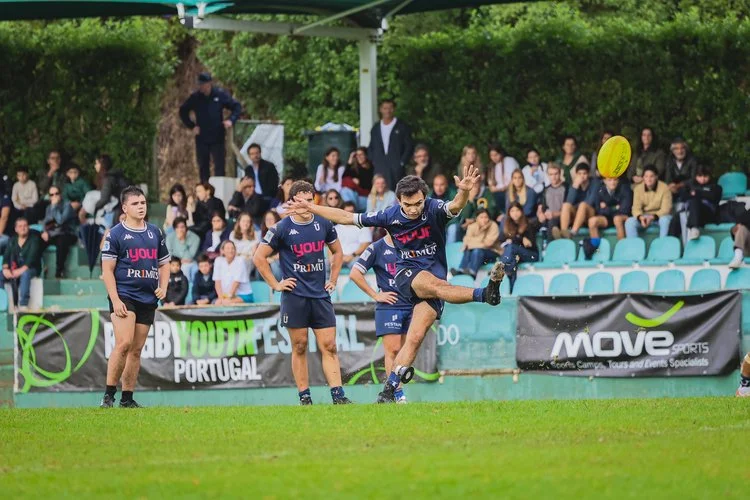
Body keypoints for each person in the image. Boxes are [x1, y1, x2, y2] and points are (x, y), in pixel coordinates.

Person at [285, 166, 505, 404]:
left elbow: (455, 206)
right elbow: (347, 218)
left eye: (418, 203)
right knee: (439, 285)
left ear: (424, 197)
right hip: (408, 275)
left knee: (415, 338)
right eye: (407, 204)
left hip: (432, 279)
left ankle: (388, 391)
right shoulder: (389, 215)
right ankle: (485, 293)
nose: (413, 209)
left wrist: (463, 192)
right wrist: (311, 207)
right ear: (399, 200)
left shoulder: (433, 208)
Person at [253, 180, 351, 405]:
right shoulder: (281, 227)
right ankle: (305, 397)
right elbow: (259, 257)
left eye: (310, 200)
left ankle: (339, 396)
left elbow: (337, 252)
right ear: (293, 202)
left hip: (320, 295)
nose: (307, 205)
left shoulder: (324, 224)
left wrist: (333, 279)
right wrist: (276, 284)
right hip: (295, 296)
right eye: (302, 201)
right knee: (299, 346)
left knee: (330, 346)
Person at [100, 186, 170, 408]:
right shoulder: (116, 234)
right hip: (125, 295)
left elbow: (164, 263)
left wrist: (164, 287)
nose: (141, 207)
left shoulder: (155, 232)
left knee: (137, 350)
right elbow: (107, 270)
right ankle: (108, 396)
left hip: (148, 297)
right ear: (124, 207)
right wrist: (116, 299)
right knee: (124, 343)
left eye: (143, 203)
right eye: (135, 203)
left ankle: (127, 399)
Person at [350, 232, 411, 403]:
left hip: (411, 304)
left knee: (406, 352)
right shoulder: (376, 247)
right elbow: (355, 273)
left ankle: (394, 390)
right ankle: (397, 394)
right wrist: (375, 295)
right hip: (389, 305)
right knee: (392, 350)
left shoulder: (413, 244)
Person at [179, 72, 242, 182]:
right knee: (203, 166)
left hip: (217, 136)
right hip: (202, 137)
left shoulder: (219, 94)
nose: (201, 87)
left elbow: (236, 106)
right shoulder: (196, 97)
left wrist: (231, 120)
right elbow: (183, 110)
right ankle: (205, 191)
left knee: (219, 166)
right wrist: (191, 125)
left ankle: (219, 192)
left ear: (209, 84)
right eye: (199, 85)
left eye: (203, 84)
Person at [367, 99, 413, 191]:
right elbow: (371, 146)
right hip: (380, 166)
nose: (387, 110)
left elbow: (409, 146)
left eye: (390, 108)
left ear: (394, 109)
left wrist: (402, 162)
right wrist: (374, 160)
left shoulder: (402, 126)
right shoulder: (375, 128)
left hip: (396, 167)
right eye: (385, 108)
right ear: (380, 109)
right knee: (379, 192)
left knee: (397, 191)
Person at [1, 218, 43, 309]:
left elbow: (31, 259)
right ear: (16, 229)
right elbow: (6, 256)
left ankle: (23, 304)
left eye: (25, 226)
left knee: (25, 274)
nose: (23, 228)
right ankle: (2, 301)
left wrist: (19, 271)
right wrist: (5, 269)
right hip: (15, 269)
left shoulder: (34, 240)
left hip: (31, 269)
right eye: (20, 226)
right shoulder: (12, 240)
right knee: (1, 274)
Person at [500, 203, 540, 293]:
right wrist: (519, 239)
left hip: (531, 255)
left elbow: (529, 244)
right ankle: (511, 289)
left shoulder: (528, 224)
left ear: (521, 212)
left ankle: (502, 267)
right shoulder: (507, 225)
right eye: (512, 211)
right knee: (512, 261)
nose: (515, 213)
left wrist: (515, 239)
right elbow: (501, 239)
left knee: (511, 248)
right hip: (517, 256)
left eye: (517, 210)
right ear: (509, 213)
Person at [626, 165, 673, 238]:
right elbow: (636, 208)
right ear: (643, 178)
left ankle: (663, 246)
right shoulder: (638, 189)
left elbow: (666, 209)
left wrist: (652, 217)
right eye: (646, 176)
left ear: (656, 177)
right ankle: (634, 247)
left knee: (665, 221)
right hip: (644, 216)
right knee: (630, 222)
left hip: (660, 216)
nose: (649, 179)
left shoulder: (664, 188)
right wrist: (641, 217)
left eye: (652, 176)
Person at [40, 186, 77, 278]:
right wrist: (44, 232)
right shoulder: (49, 207)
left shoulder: (67, 205)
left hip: (67, 233)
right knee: (37, 240)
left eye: (56, 193)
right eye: (52, 195)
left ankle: (59, 271)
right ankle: (40, 267)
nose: (54, 196)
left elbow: (61, 221)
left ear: (60, 194)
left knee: (62, 241)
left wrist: (55, 207)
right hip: (53, 234)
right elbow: (46, 222)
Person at [452, 209, 500, 278]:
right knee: (468, 250)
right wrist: (479, 241)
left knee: (477, 250)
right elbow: (466, 240)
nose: (484, 219)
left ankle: (472, 272)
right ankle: (461, 270)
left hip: (492, 252)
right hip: (478, 253)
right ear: (476, 218)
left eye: (486, 217)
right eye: (481, 217)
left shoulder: (493, 226)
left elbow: (488, 243)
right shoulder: (472, 226)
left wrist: (472, 242)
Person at [560, 163, 599, 238]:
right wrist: (575, 186)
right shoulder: (574, 184)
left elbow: (590, 202)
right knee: (565, 205)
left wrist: (577, 206)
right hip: (578, 215)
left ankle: (573, 232)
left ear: (588, 174)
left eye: (584, 173)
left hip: (591, 213)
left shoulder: (594, 183)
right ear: (576, 174)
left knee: (583, 205)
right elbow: (569, 202)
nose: (582, 176)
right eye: (579, 174)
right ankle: (563, 233)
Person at [682, 166, 722, 240]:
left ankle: (694, 228)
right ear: (696, 176)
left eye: (705, 176)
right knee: (677, 217)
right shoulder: (690, 185)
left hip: (709, 214)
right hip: (692, 212)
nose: (702, 179)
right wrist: (703, 194)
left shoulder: (715, 186)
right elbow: (683, 197)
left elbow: (713, 197)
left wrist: (697, 193)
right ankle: (670, 241)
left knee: (694, 202)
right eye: (700, 176)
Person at [213, 240, 253, 305]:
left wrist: (228, 298)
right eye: (228, 248)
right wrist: (221, 298)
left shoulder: (240, 261)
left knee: (226, 303)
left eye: (232, 248)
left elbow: (236, 283)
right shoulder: (218, 260)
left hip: (243, 295)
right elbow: (217, 282)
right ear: (222, 251)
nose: (230, 250)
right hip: (225, 296)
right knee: (218, 303)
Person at [335, 202, 372, 269]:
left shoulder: (362, 226)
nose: (349, 214)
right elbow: (331, 245)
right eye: (347, 212)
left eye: (351, 211)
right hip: (340, 257)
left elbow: (365, 244)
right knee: (326, 263)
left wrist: (352, 255)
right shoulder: (336, 228)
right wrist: (338, 257)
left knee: (356, 264)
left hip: (356, 257)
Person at [243, 143, 280, 211]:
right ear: (249, 156)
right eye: (252, 154)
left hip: (267, 197)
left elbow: (274, 183)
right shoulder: (248, 169)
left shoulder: (269, 166)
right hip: (254, 198)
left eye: (257, 153)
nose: (255, 155)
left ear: (260, 153)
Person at [536, 163, 568, 240]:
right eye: (551, 174)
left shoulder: (566, 188)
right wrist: (540, 214)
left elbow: (569, 208)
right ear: (548, 175)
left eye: (556, 174)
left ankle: (550, 248)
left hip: (561, 218)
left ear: (560, 173)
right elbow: (540, 207)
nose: (553, 177)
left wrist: (554, 214)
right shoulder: (546, 189)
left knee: (551, 223)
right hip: (547, 217)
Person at [341, 147, 374, 211]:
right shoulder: (354, 168)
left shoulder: (371, 167)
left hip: (365, 197)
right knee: (345, 190)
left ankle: (350, 214)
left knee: (346, 192)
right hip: (355, 195)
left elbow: (369, 185)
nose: (359, 157)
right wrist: (350, 160)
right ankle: (352, 213)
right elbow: (344, 178)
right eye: (357, 155)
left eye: (361, 154)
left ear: (366, 155)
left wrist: (359, 182)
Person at [487, 144, 519, 210]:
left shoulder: (509, 161)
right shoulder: (493, 166)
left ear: (501, 153)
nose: (494, 157)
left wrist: (499, 189)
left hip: (509, 190)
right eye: (491, 155)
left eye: (496, 155)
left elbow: (513, 180)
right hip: (498, 191)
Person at [431, 174, 460, 243]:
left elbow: (458, 213)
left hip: (450, 223)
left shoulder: (453, 194)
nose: (439, 188)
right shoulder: (429, 196)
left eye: (441, 185)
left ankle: (450, 251)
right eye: (436, 185)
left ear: (446, 185)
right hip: (434, 224)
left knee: (453, 228)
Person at [260, 210, 282, 280]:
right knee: (260, 265)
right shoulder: (263, 235)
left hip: (279, 261)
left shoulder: (281, 233)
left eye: (271, 219)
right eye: (267, 219)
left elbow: (282, 253)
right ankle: (263, 287)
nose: (269, 221)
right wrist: (266, 259)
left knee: (274, 264)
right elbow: (260, 254)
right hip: (268, 260)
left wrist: (271, 259)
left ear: (276, 220)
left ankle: (278, 285)